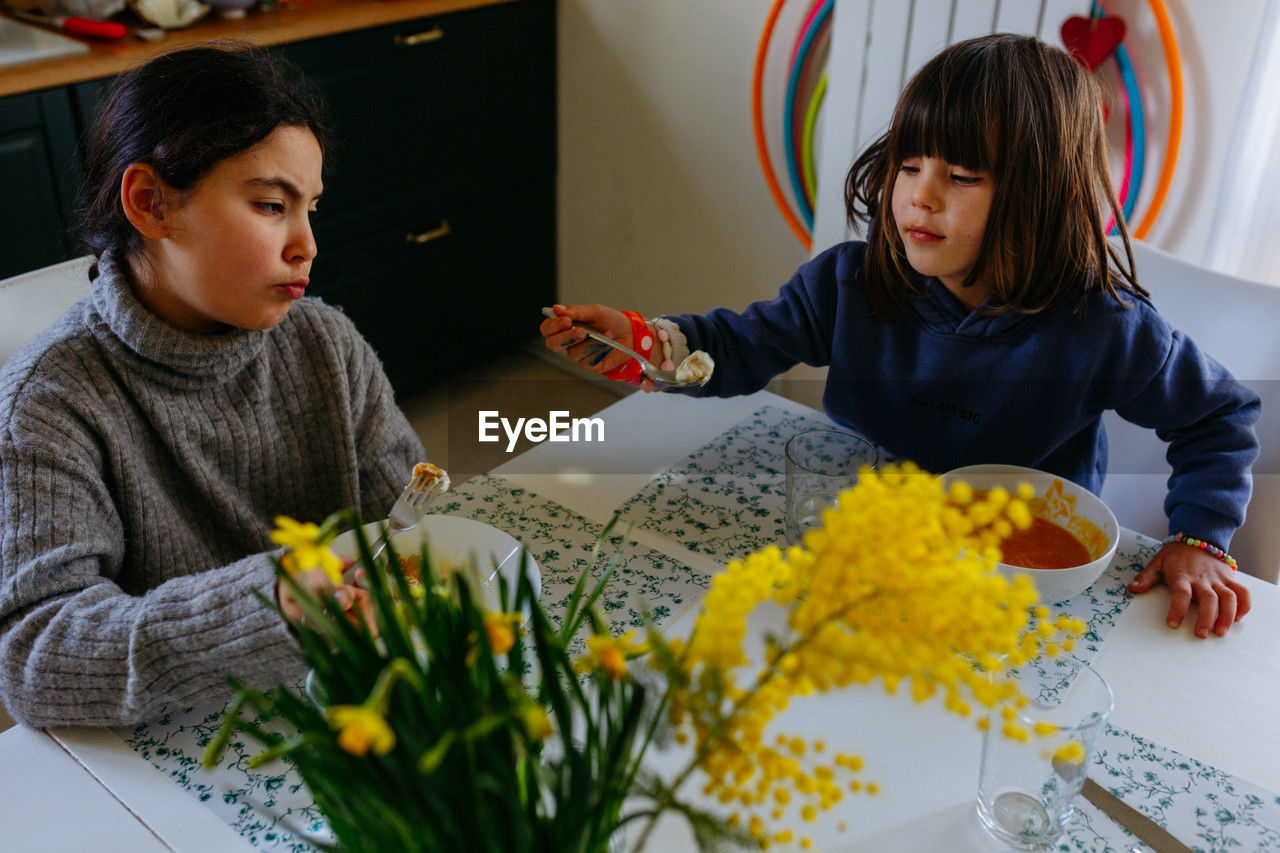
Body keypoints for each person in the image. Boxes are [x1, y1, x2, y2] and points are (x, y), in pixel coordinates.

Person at [541, 34, 1260, 639]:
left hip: (1012, 588)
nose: (920, 193)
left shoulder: (1102, 328)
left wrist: (1198, 539)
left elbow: (1220, 415)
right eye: (909, 165)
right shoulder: (854, 282)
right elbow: (736, 345)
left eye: (962, 175)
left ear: (1042, 196)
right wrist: (647, 343)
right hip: (860, 551)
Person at [0, 41, 426, 727]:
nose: (307, 243)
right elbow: (36, 656)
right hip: (175, 753)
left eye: (310, 207)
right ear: (150, 203)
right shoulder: (49, 403)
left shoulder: (327, 345)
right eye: (269, 205)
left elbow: (407, 524)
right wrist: (273, 603)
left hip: (340, 718)